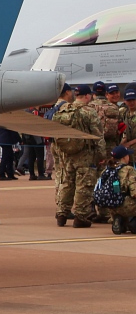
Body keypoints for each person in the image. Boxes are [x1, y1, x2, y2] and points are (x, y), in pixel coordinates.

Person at [51, 85, 106, 227]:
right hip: (85, 154)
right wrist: (102, 155)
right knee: (84, 185)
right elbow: (98, 136)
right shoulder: (89, 112)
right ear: (87, 96)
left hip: (67, 153)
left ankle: (62, 214)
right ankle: (81, 217)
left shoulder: (64, 109)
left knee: (67, 183)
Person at [104, 146, 136, 234]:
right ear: (124, 157)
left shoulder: (107, 169)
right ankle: (133, 224)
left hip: (111, 205)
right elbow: (134, 192)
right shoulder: (129, 170)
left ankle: (119, 220)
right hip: (126, 205)